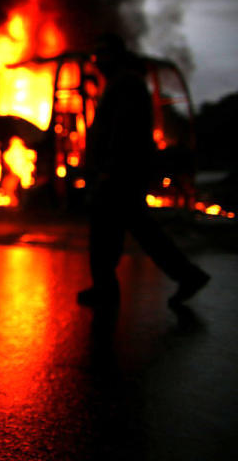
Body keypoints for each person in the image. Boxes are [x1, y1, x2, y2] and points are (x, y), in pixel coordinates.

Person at [77, 33, 209, 309]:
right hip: (124, 171)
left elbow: (122, 133)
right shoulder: (123, 83)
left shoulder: (126, 85)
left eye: (100, 56)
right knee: (136, 228)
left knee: (107, 229)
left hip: (120, 172)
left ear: (113, 56)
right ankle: (186, 276)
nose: (96, 62)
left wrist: (107, 170)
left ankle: (107, 289)